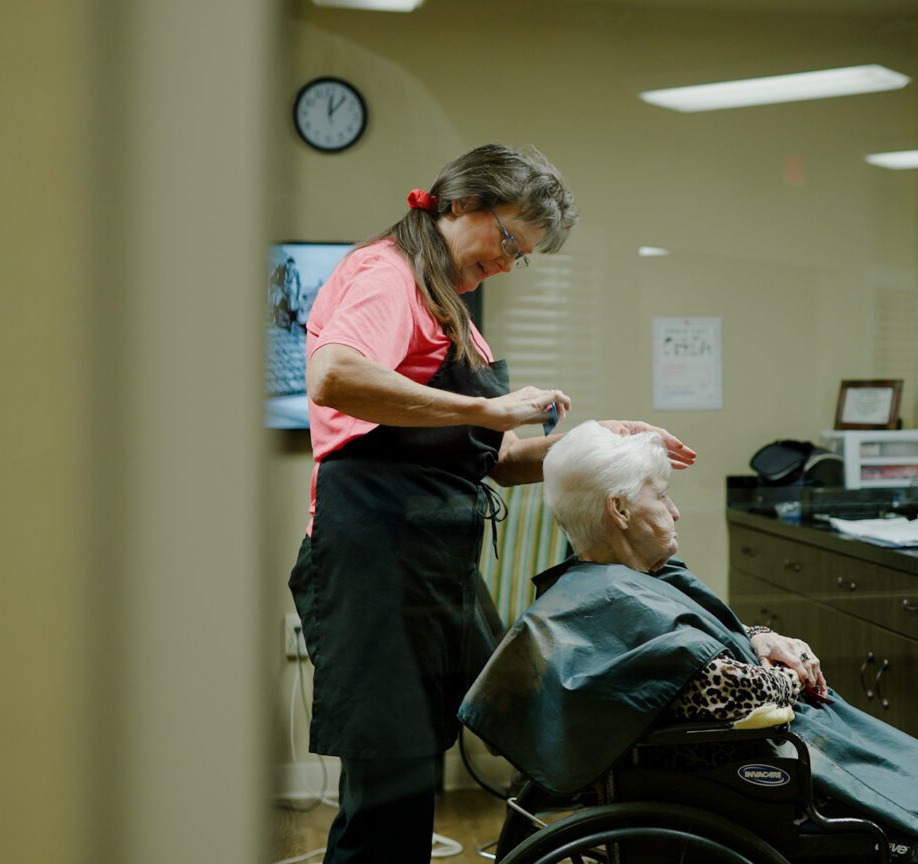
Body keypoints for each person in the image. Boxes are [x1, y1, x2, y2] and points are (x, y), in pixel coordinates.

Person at [287, 145, 696, 864]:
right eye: (508, 239)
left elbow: (496, 459)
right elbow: (334, 376)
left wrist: (609, 439)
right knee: (392, 791)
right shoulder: (387, 277)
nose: (508, 262)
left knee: (472, 746)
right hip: (375, 563)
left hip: (432, 562)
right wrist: (494, 405)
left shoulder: (450, 306)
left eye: (522, 256)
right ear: (461, 202)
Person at [460, 421, 918, 864]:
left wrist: (762, 636)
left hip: (781, 747)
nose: (674, 510)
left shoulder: (615, 584)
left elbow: (686, 642)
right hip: (767, 764)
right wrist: (788, 670)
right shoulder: (614, 597)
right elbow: (720, 687)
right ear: (618, 509)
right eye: (660, 495)